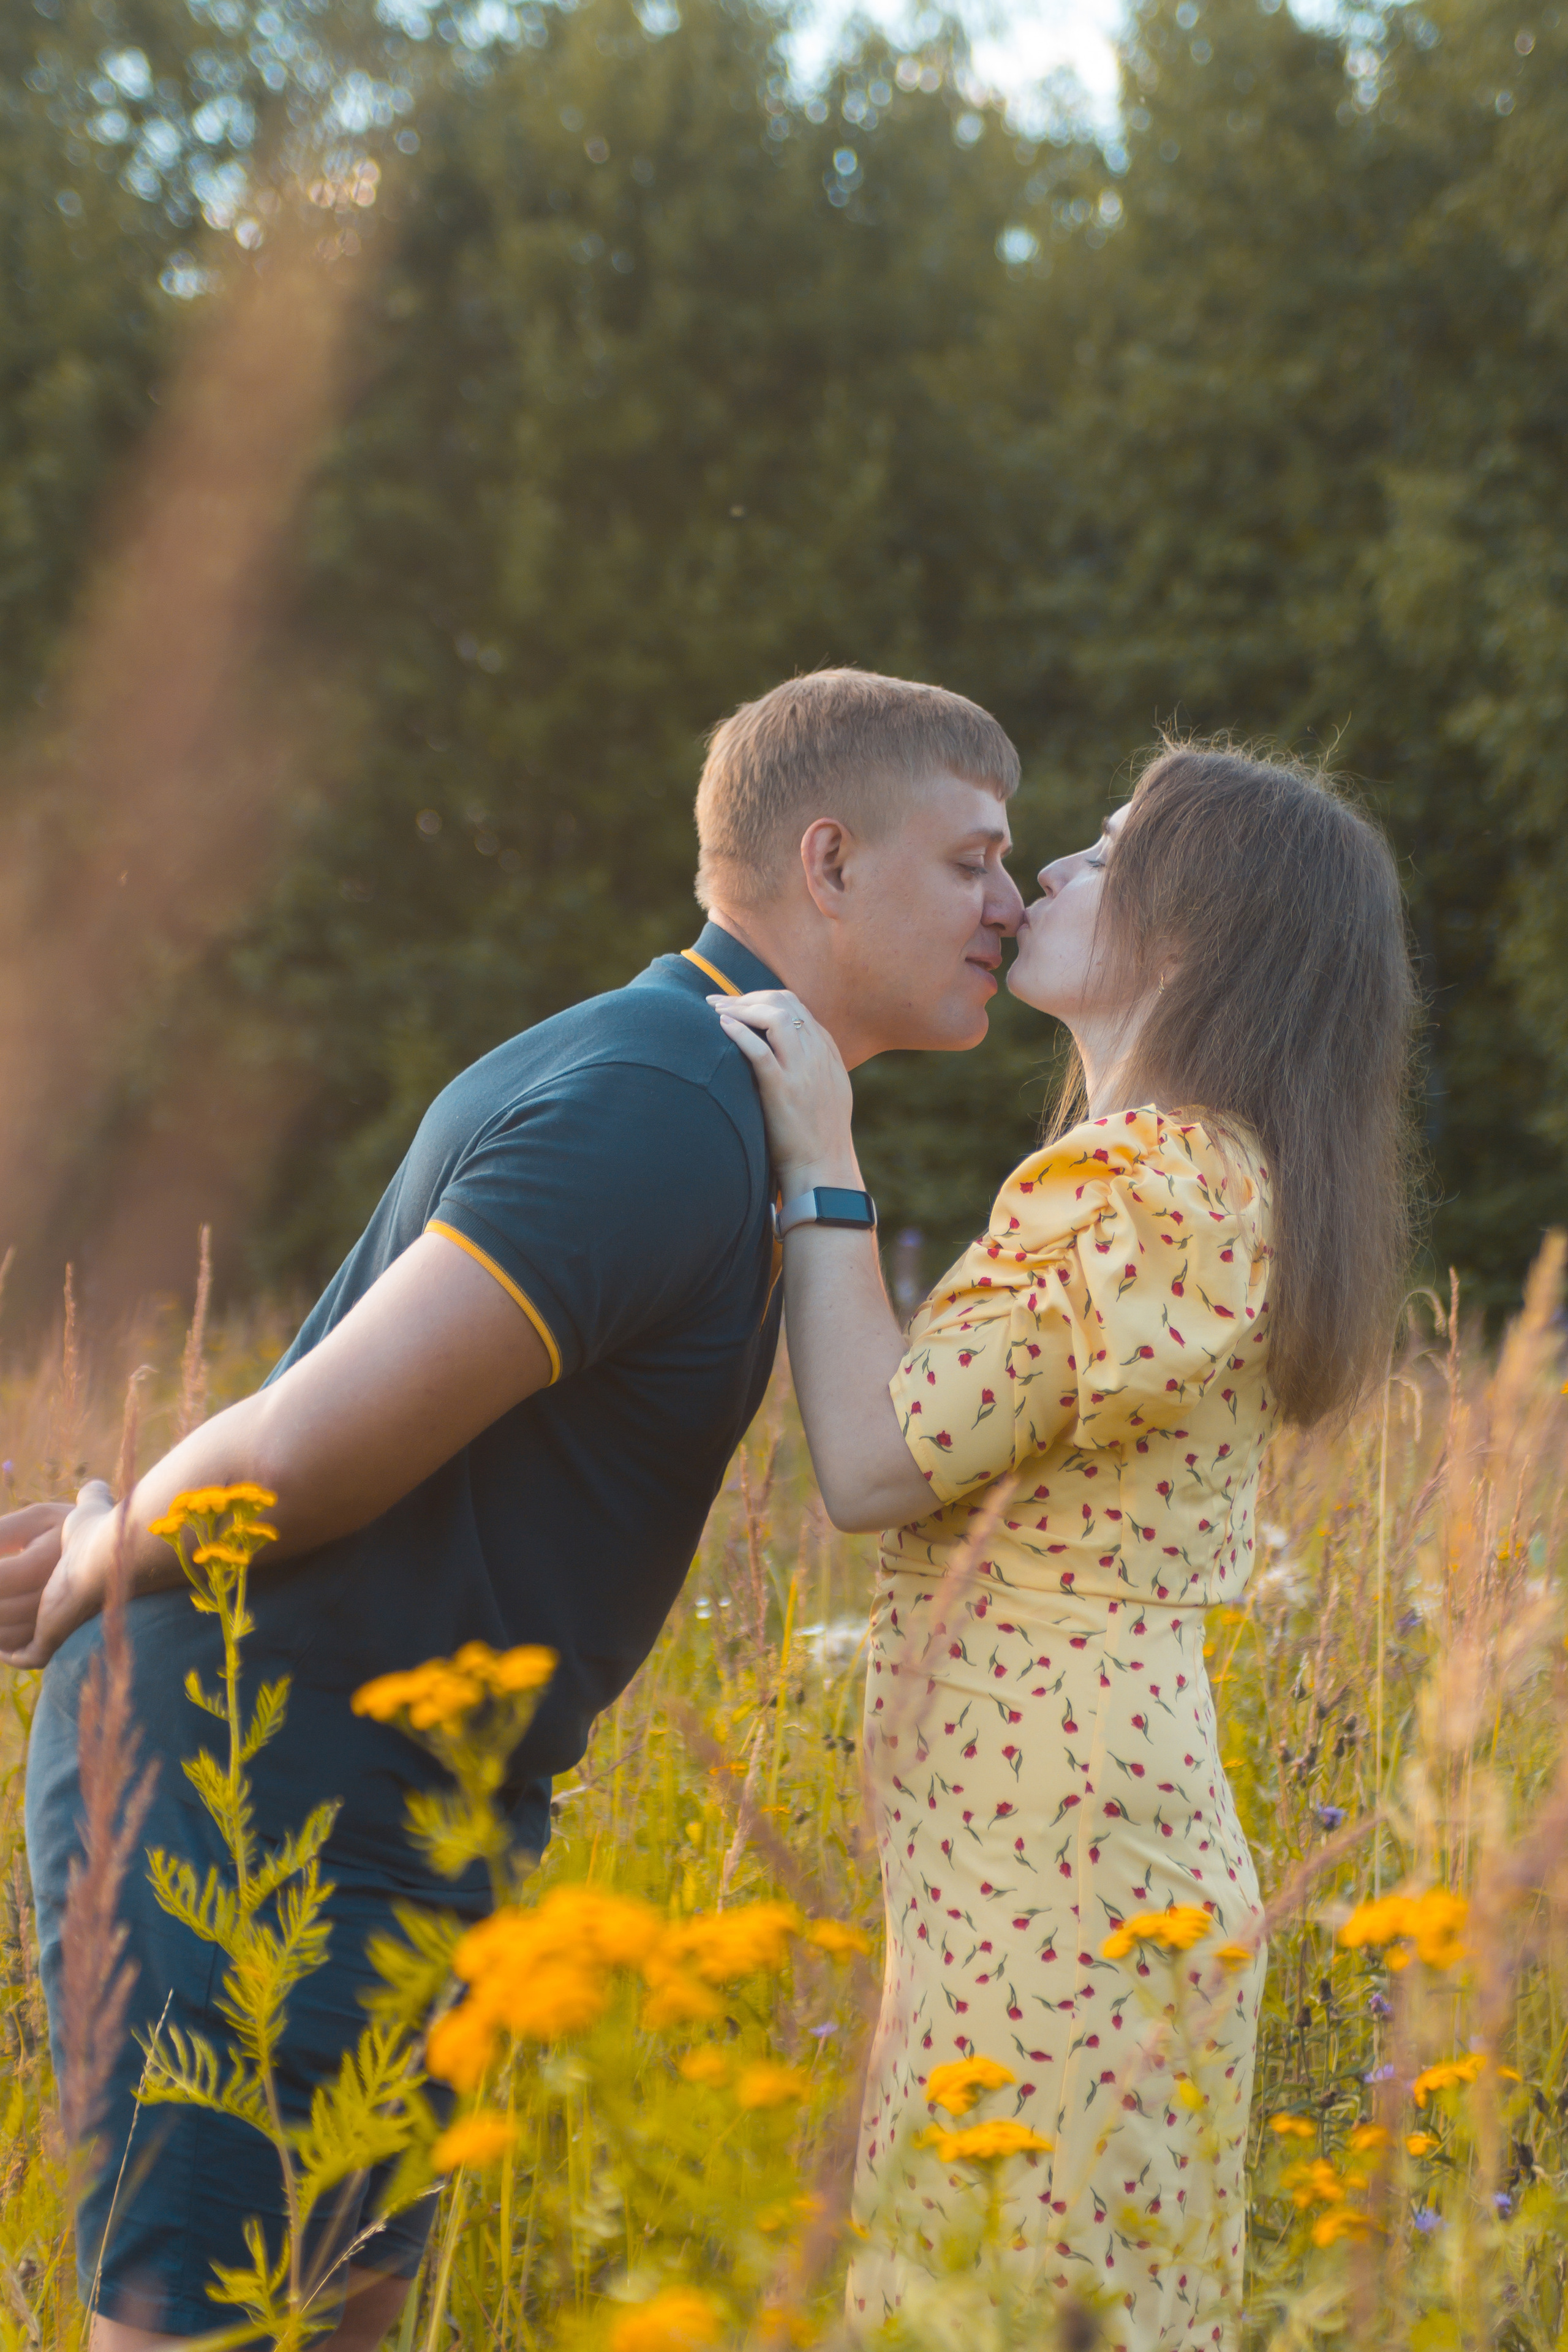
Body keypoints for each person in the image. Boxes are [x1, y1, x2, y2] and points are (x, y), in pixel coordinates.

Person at [0, 667, 1027, 2351]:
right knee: (203, 2332)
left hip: (381, 1804)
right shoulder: (654, 1105)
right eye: (975, 858)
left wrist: (122, 1520)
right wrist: (111, 1554)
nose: (1011, 902)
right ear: (828, 862)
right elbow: (298, 1458)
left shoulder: (707, 1091)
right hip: (254, 1808)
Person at [714, 741, 1415, 2350]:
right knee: (1042, 2285)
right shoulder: (1184, 1180)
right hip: (1065, 1825)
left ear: (1204, 929)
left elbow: (878, 1466)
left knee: (1016, 2294)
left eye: (1105, 854)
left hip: (1070, 1844)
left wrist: (822, 1156)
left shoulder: (1152, 1186)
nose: (1048, 880)